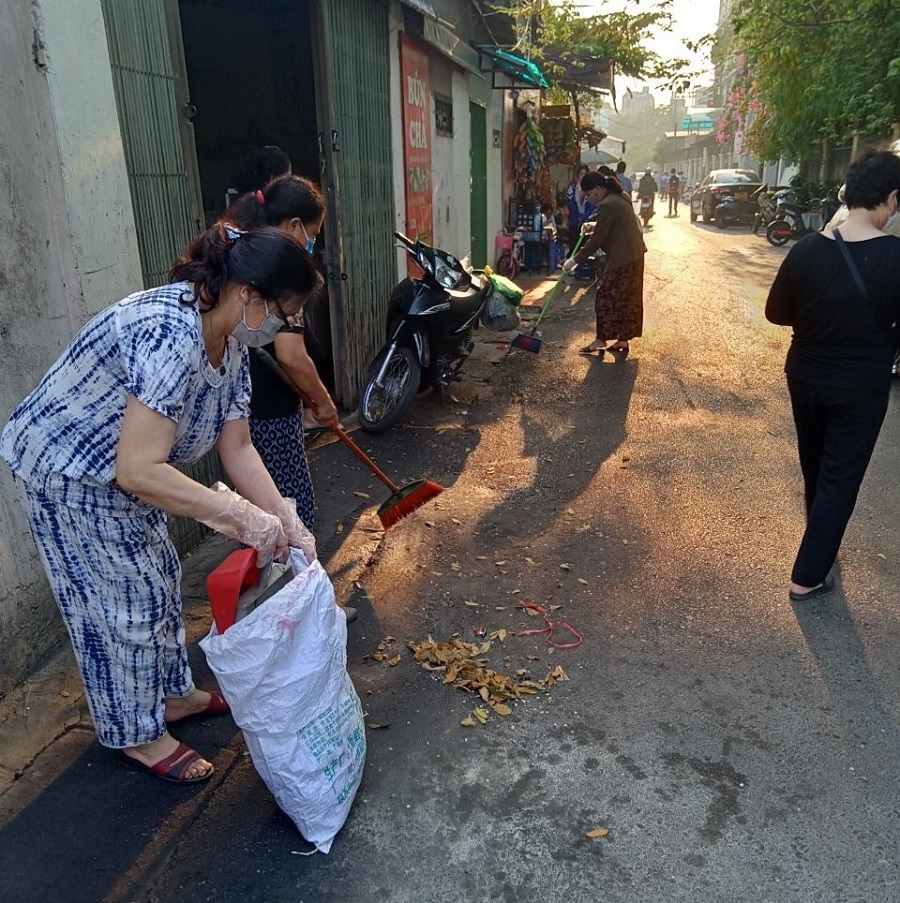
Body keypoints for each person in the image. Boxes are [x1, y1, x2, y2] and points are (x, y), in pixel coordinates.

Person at [0, 224, 321, 783]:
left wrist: (283, 516)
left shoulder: (234, 344)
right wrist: (241, 518)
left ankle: (173, 697)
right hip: (67, 470)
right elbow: (138, 469)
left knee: (159, 576)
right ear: (249, 294)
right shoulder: (170, 332)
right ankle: (136, 734)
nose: (284, 327)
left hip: (123, 472)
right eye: (285, 313)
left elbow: (238, 446)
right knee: (125, 605)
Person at [765, 150, 900, 601]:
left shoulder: (807, 250)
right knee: (840, 476)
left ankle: (819, 541)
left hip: (805, 374)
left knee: (816, 464)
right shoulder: (896, 256)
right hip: (862, 383)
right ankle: (808, 575)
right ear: (891, 198)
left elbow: (775, 312)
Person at [226, 176, 338, 532]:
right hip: (269, 413)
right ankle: (288, 581)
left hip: (244, 418)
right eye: (313, 234)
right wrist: (322, 402)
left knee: (264, 518)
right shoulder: (277, 273)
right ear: (293, 226)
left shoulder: (246, 252)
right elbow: (291, 355)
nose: (312, 243)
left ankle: (280, 575)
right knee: (288, 514)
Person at [562, 172, 647, 359]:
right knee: (627, 299)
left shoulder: (607, 205)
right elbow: (615, 225)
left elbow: (598, 240)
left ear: (598, 190)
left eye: (588, 194)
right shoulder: (620, 196)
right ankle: (623, 339)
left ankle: (601, 339)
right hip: (635, 255)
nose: (588, 199)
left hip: (623, 258)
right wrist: (594, 226)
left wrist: (575, 259)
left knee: (605, 298)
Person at [565, 164, 595, 254]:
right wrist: (577, 216)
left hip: (586, 222)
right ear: (577, 176)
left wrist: (584, 217)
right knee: (573, 245)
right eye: (581, 174)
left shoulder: (591, 189)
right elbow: (570, 203)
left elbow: (592, 206)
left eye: (585, 174)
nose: (583, 176)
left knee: (584, 246)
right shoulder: (573, 188)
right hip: (574, 221)